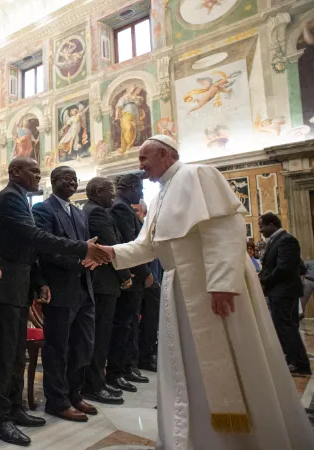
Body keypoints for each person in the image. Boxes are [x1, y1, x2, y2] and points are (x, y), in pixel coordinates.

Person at [96, 135, 314, 449]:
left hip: (209, 288)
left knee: (221, 363)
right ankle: (190, 435)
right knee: (182, 363)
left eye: (145, 158)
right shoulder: (160, 195)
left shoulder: (198, 175)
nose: (140, 166)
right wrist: (108, 252)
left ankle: (235, 441)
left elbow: (225, 230)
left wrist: (222, 283)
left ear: (165, 154)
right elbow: (146, 247)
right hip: (177, 288)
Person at [0, 157, 109, 446]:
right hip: (5, 286)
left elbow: (28, 248)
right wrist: (83, 248)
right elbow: (35, 237)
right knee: (5, 356)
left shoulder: (20, 198)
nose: (38, 176)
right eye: (34, 171)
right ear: (15, 171)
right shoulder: (9, 199)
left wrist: (37, 282)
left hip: (19, 285)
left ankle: (14, 409)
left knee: (16, 355)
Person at [32, 166, 98, 422]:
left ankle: (74, 394)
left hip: (84, 288)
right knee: (57, 348)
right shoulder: (43, 210)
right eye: (65, 178)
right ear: (53, 181)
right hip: (60, 287)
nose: (71, 182)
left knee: (82, 345)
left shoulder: (79, 214)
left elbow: (87, 247)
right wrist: (80, 261)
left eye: (74, 179)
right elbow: (45, 250)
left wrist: (92, 259)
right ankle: (56, 401)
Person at [81, 177, 131, 404]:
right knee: (99, 336)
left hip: (102, 283)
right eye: (110, 191)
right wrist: (125, 276)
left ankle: (96, 381)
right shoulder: (97, 213)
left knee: (100, 335)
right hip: (103, 282)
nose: (113, 196)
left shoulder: (92, 209)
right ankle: (94, 385)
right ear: (99, 191)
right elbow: (112, 248)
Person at [108, 173, 152, 387]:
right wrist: (145, 273)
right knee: (124, 325)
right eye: (140, 188)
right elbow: (129, 244)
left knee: (131, 323)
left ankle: (128, 367)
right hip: (129, 275)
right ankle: (120, 370)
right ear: (131, 187)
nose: (141, 193)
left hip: (133, 274)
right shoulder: (120, 208)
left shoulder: (124, 206)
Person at [258, 212, 311, 375]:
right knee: (284, 327)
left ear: (272, 224)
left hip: (283, 291)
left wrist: (264, 280)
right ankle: (292, 359)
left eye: (262, 226)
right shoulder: (276, 241)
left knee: (286, 327)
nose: (260, 230)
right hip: (279, 291)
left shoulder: (287, 240)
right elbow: (297, 266)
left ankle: (300, 363)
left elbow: (283, 268)